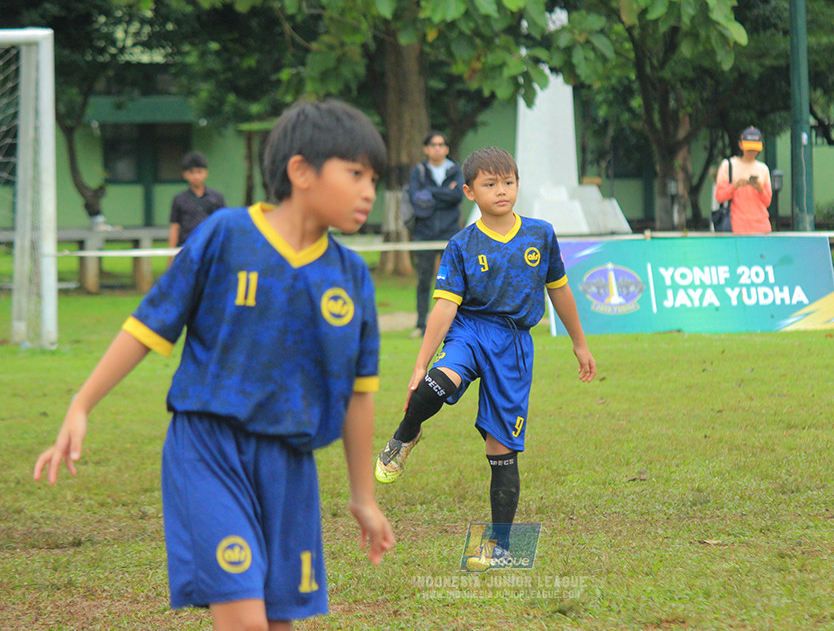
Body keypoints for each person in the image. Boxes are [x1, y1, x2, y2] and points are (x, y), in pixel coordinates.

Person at [34, 99, 395, 630]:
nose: (369, 190)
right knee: (244, 620)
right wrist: (81, 403)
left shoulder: (351, 277)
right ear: (301, 171)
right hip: (208, 448)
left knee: (277, 622)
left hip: (291, 465)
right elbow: (148, 326)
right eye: (356, 173)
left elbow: (358, 395)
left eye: (374, 178)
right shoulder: (228, 234)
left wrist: (363, 497)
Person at [374, 146, 597, 571]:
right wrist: (421, 363)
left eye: (508, 182)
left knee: (502, 449)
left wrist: (579, 343)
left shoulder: (540, 234)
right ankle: (404, 436)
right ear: (469, 192)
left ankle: (501, 547)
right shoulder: (461, 244)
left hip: (513, 345)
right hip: (470, 331)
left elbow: (560, 290)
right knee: (438, 381)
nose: (502, 191)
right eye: (490, 184)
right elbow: (444, 307)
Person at [408, 131, 465, 338]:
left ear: (447, 148)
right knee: (424, 280)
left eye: (441, 144)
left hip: (450, 234)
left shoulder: (455, 169)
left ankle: (454, 325)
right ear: (426, 149)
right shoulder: (419, 171)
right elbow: (416, 197)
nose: (437, 148)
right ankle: (421, 325)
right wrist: (444, 193)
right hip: (424, 234)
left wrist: (430, 192)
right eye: (433, 145)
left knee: (452, 282)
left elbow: (458, 195)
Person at [167, 151, 227, 267]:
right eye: (192, 173)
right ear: (185, 175)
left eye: (199, 172)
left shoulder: (217, 198)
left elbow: (223, 225)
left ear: (206, 173)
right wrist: (171, 256)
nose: (196, 176)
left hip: (211, 248)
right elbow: (175, 227)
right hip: (187, 248)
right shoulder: (179, 199)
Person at [714, 126, 773, 234]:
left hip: (761, 226)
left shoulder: (763, 169)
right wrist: (734, 186)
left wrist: (760, 188)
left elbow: (768, 201)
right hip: (737, 226)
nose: (752, 151)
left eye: (754, 149)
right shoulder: (728, 166)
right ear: (740, 145)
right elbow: (719, 196)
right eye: (749, 148)